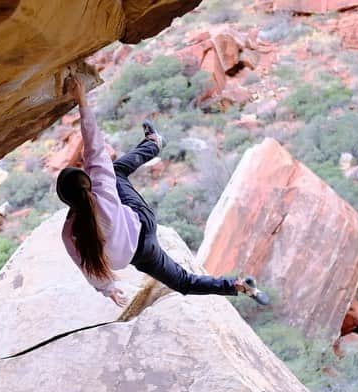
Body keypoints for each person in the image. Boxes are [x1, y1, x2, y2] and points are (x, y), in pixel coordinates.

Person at [57, 75, 262, 307]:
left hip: (141, 254)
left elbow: (87, 268)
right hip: (143, 223)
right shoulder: (102, 188)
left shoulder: (69, 233)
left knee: (183, 282)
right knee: (115, 171)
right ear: (87, 182)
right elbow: (94, 147)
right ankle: (154, 143)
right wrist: (81, 100)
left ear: (67, 202)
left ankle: (236, 285)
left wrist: (110, 290)